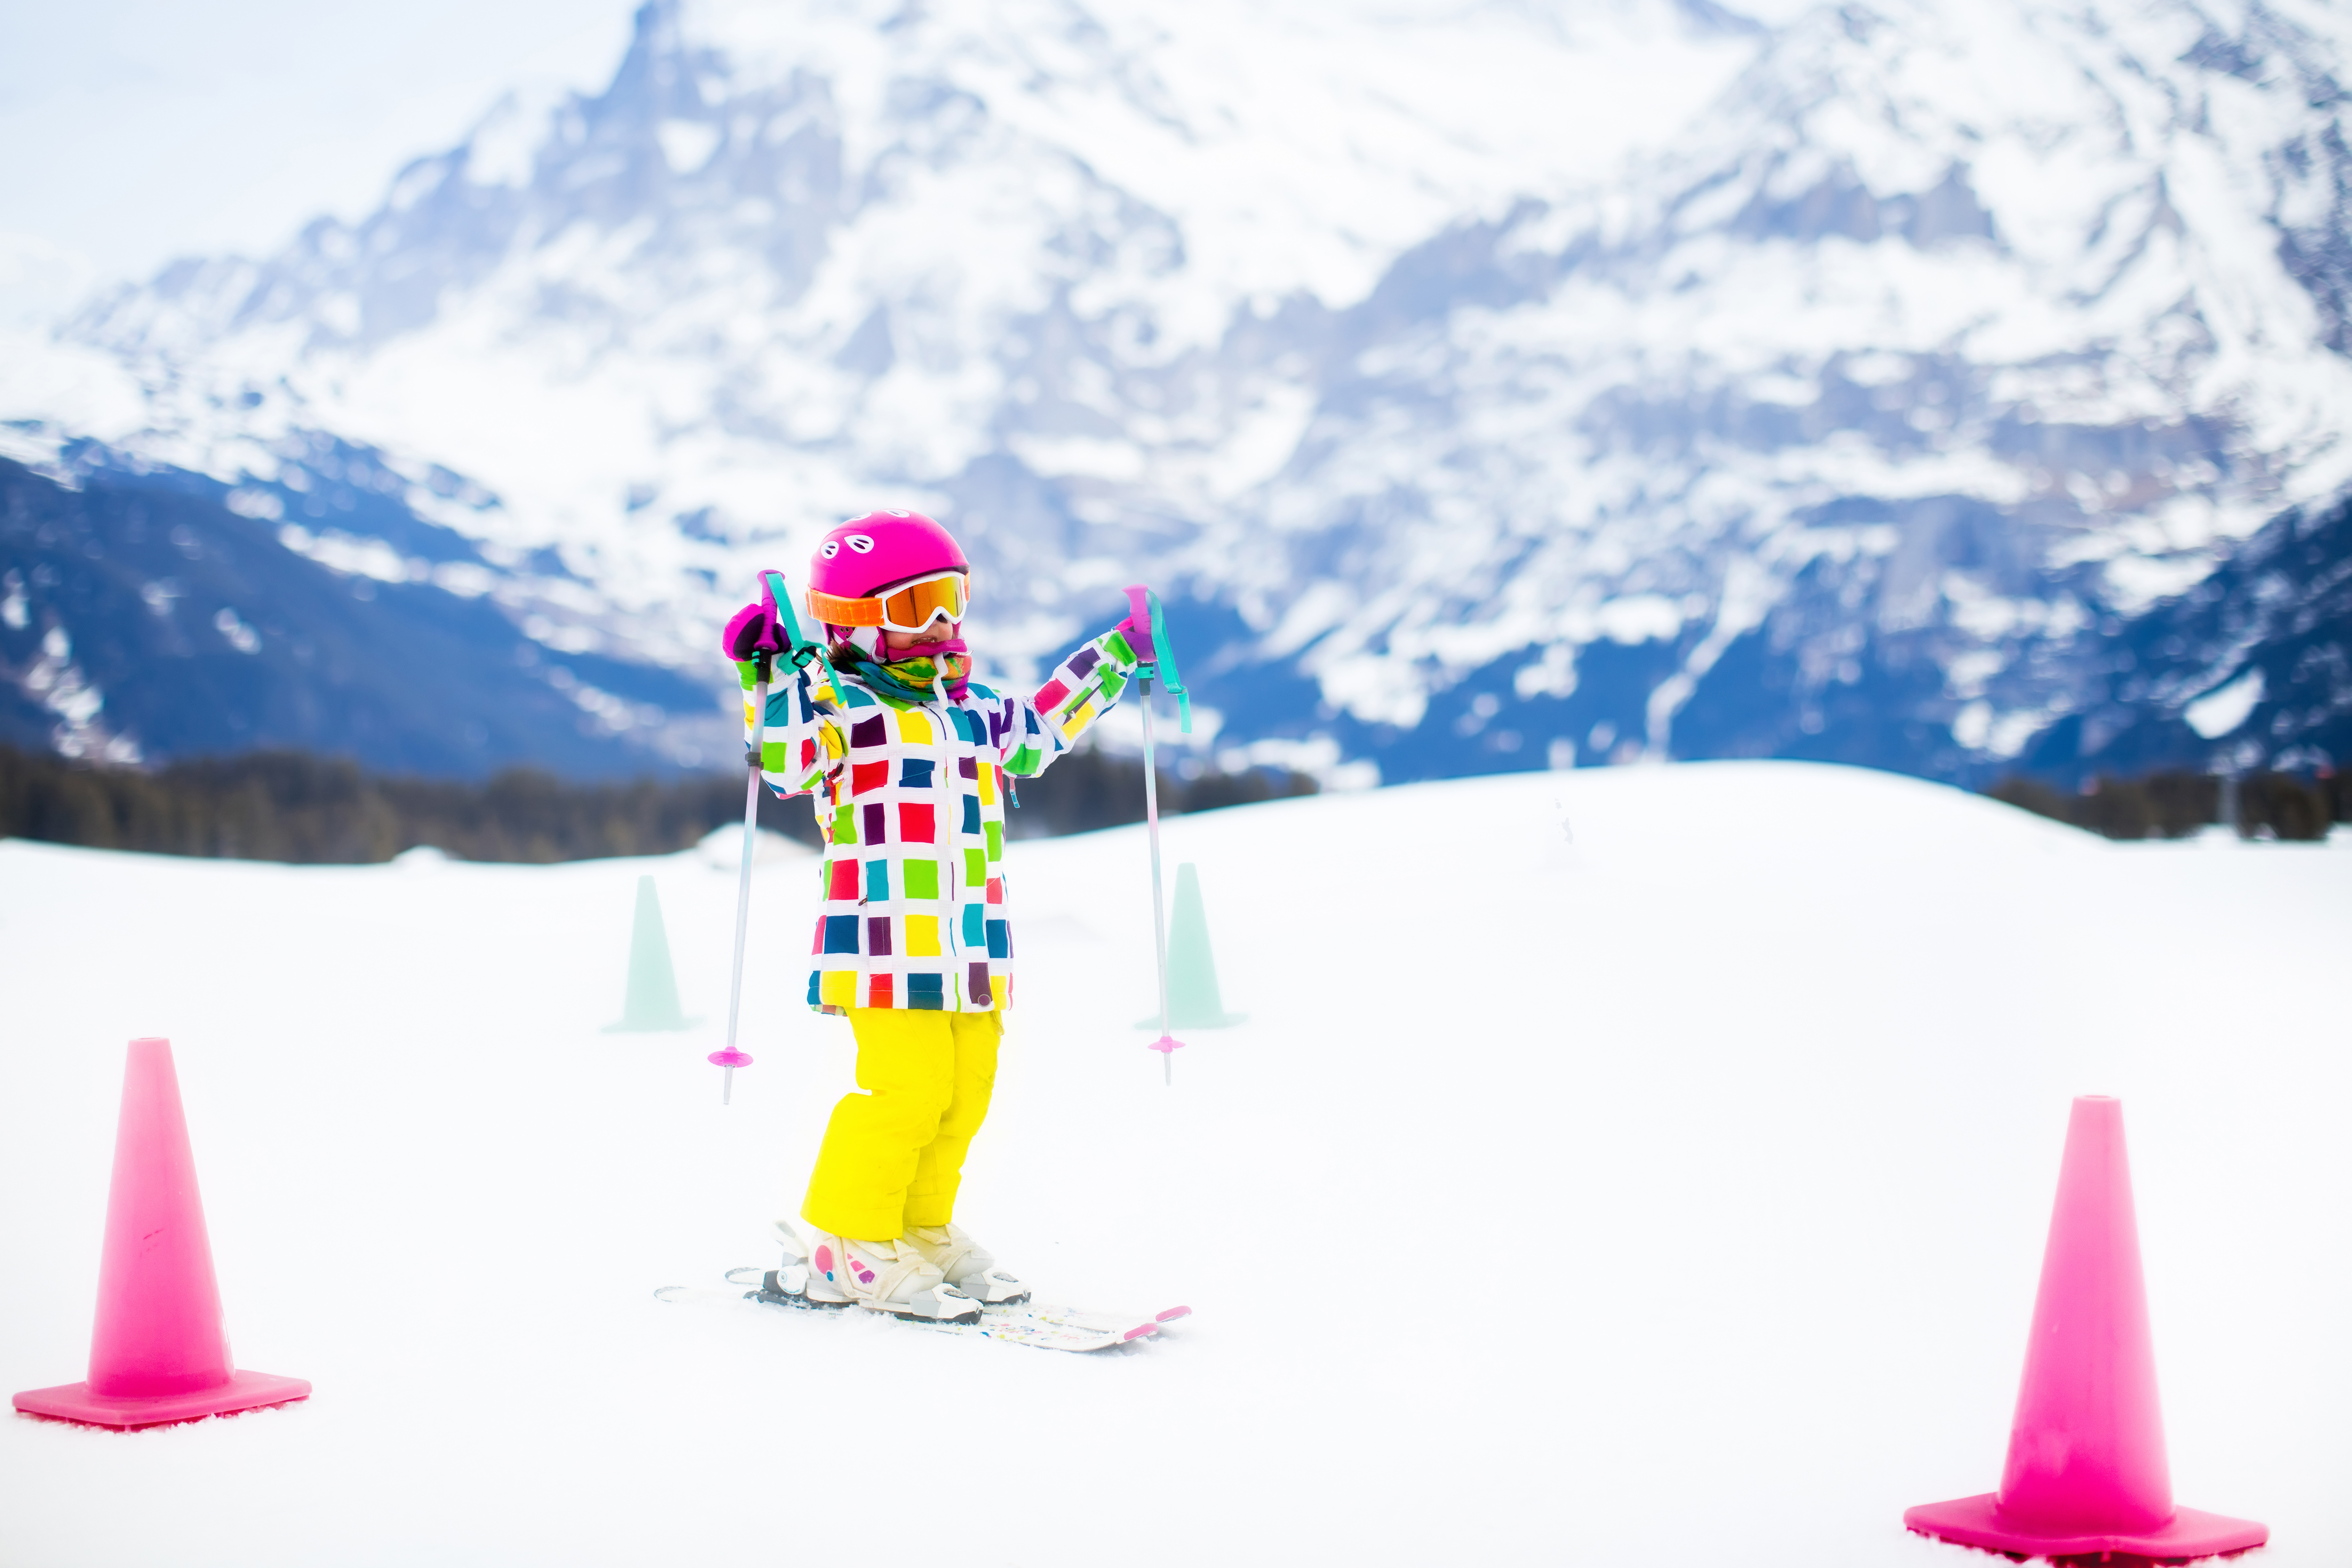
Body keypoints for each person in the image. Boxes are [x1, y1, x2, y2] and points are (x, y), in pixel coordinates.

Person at [721, 509, 1156, 1322]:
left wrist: (1120, 654)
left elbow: (1045, 728)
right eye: (916, 607)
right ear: (855, 622)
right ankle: (846, 1241)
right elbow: (783, 759)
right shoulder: (840, 711)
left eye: (951, 601)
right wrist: (771, 672)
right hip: (885, 947)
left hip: (972, 948)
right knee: (906, 1089)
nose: (942, 625)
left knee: (966, 1092)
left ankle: (914, 1226)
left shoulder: (975, 711)